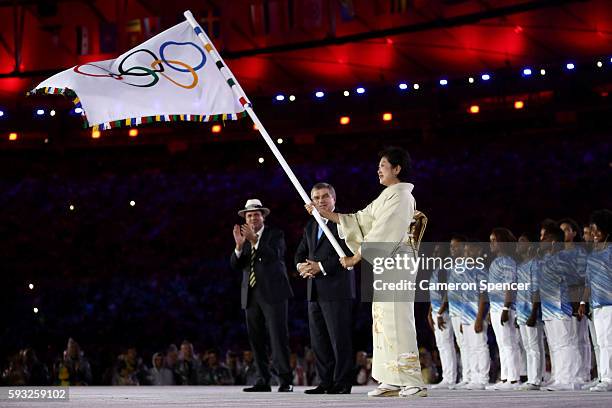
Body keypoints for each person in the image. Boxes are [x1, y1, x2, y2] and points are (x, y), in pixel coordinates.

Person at [306, 146, 426, 398]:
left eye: (383, 166)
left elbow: (383, 232)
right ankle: (391, 379)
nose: (378, 170)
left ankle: (412, 379)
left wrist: (355, 257)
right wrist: (324, 213)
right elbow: (361, 219)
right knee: (383, 320)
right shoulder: (387, 196)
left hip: (398, 263)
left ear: (397, 168)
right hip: (384, 266)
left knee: (399, 319)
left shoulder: (402, 197)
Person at [296, 182, 356, 395]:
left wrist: (319, 267)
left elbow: (349, 253)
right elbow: (300, 252)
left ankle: (342, 382)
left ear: (334, 199)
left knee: (339, 338)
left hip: (337, 289)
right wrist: (301, 266)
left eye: (325, 196)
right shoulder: (311, 226)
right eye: (316, 197)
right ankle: (326, 382)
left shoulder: (343, 223)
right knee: (319, 340)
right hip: (315, 291)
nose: (321, 201)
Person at [230, 199, 294, 392]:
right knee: (256, 339)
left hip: (274, 294)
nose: (252, 218)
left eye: (256, 214)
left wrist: (255, 240)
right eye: (249, 215)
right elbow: (235, 266)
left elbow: (274, 256)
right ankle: (263, 380)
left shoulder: (275, 234)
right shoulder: (245, 238)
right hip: (250, 295)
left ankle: (285, 380)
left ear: (263, 216)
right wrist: (239, 247)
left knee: (278, 337)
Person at [578, 209, 612, 392]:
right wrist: (584, 303)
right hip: (597, 304)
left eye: (596, 229)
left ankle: (608, 378)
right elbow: (588, 282)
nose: (593, 233)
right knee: (601, 342)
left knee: (608, 341)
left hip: (610, 304)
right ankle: (603, 376)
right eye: (591, 230)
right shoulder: (593, 254)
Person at [487, 228, 522, 390]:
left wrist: (506, 307)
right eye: (490, 240)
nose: (491, 243)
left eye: (494, 240)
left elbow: (510, 285)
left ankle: (514, 379)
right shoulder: (496, 261)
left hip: (504, 307)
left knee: (509, 343)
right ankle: (506, 377)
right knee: (502, 344)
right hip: (495, 308)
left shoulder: (508, 261)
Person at [515, 234, 546, 390]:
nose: (518, 245)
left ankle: (536, 379)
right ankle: (532, 377)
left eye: (522, 241)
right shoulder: (520, 266)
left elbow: (536, 290)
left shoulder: (535, 264)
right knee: (528, 347)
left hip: (531, 312)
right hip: (521, 311)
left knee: (535, 346)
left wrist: (534, 312)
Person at [427, 243, 457, 389]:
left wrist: (440, 312)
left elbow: (447, 293)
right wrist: (430, 312)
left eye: (438, 252)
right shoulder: (436, 270)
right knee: (441, 345)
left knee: (447, 344)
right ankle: (447, 376)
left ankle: (450, 378)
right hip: (436, 311)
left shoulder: (445, 270)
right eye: (434, 251)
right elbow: (434, 293)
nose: (434, 254)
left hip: (443, 312)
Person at [461, 241, 490, 390]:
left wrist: (479, 318)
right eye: (465, 252)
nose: (466, 255)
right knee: (471, 348)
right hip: (465, 317)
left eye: (469, 251)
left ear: (478, 251)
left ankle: (483, 378)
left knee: (480, 347)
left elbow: (483, 297)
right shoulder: (466, 272)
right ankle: (474, 377)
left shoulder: (481, 271)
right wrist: (461, 319)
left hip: (476, 316)